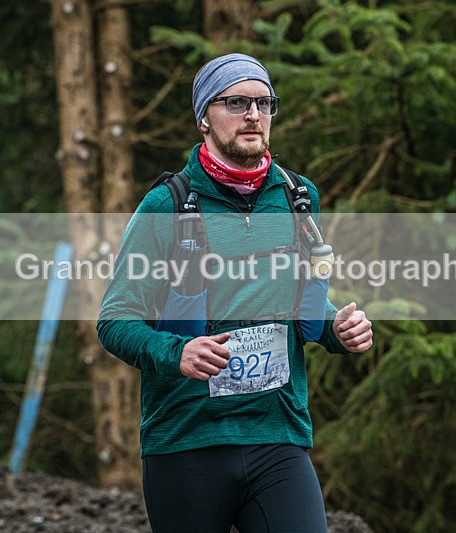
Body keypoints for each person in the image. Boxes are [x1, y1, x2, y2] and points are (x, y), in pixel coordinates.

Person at [97, 53, 373, 533]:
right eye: (236, 102)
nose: (253, 115)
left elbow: (301, 303)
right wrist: (176, 352)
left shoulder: (297, 197)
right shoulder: (166, 205)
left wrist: (337, 329)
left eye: (265, 103)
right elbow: (115, 319)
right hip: (186, 442)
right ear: (204, 117)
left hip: (277, 434)